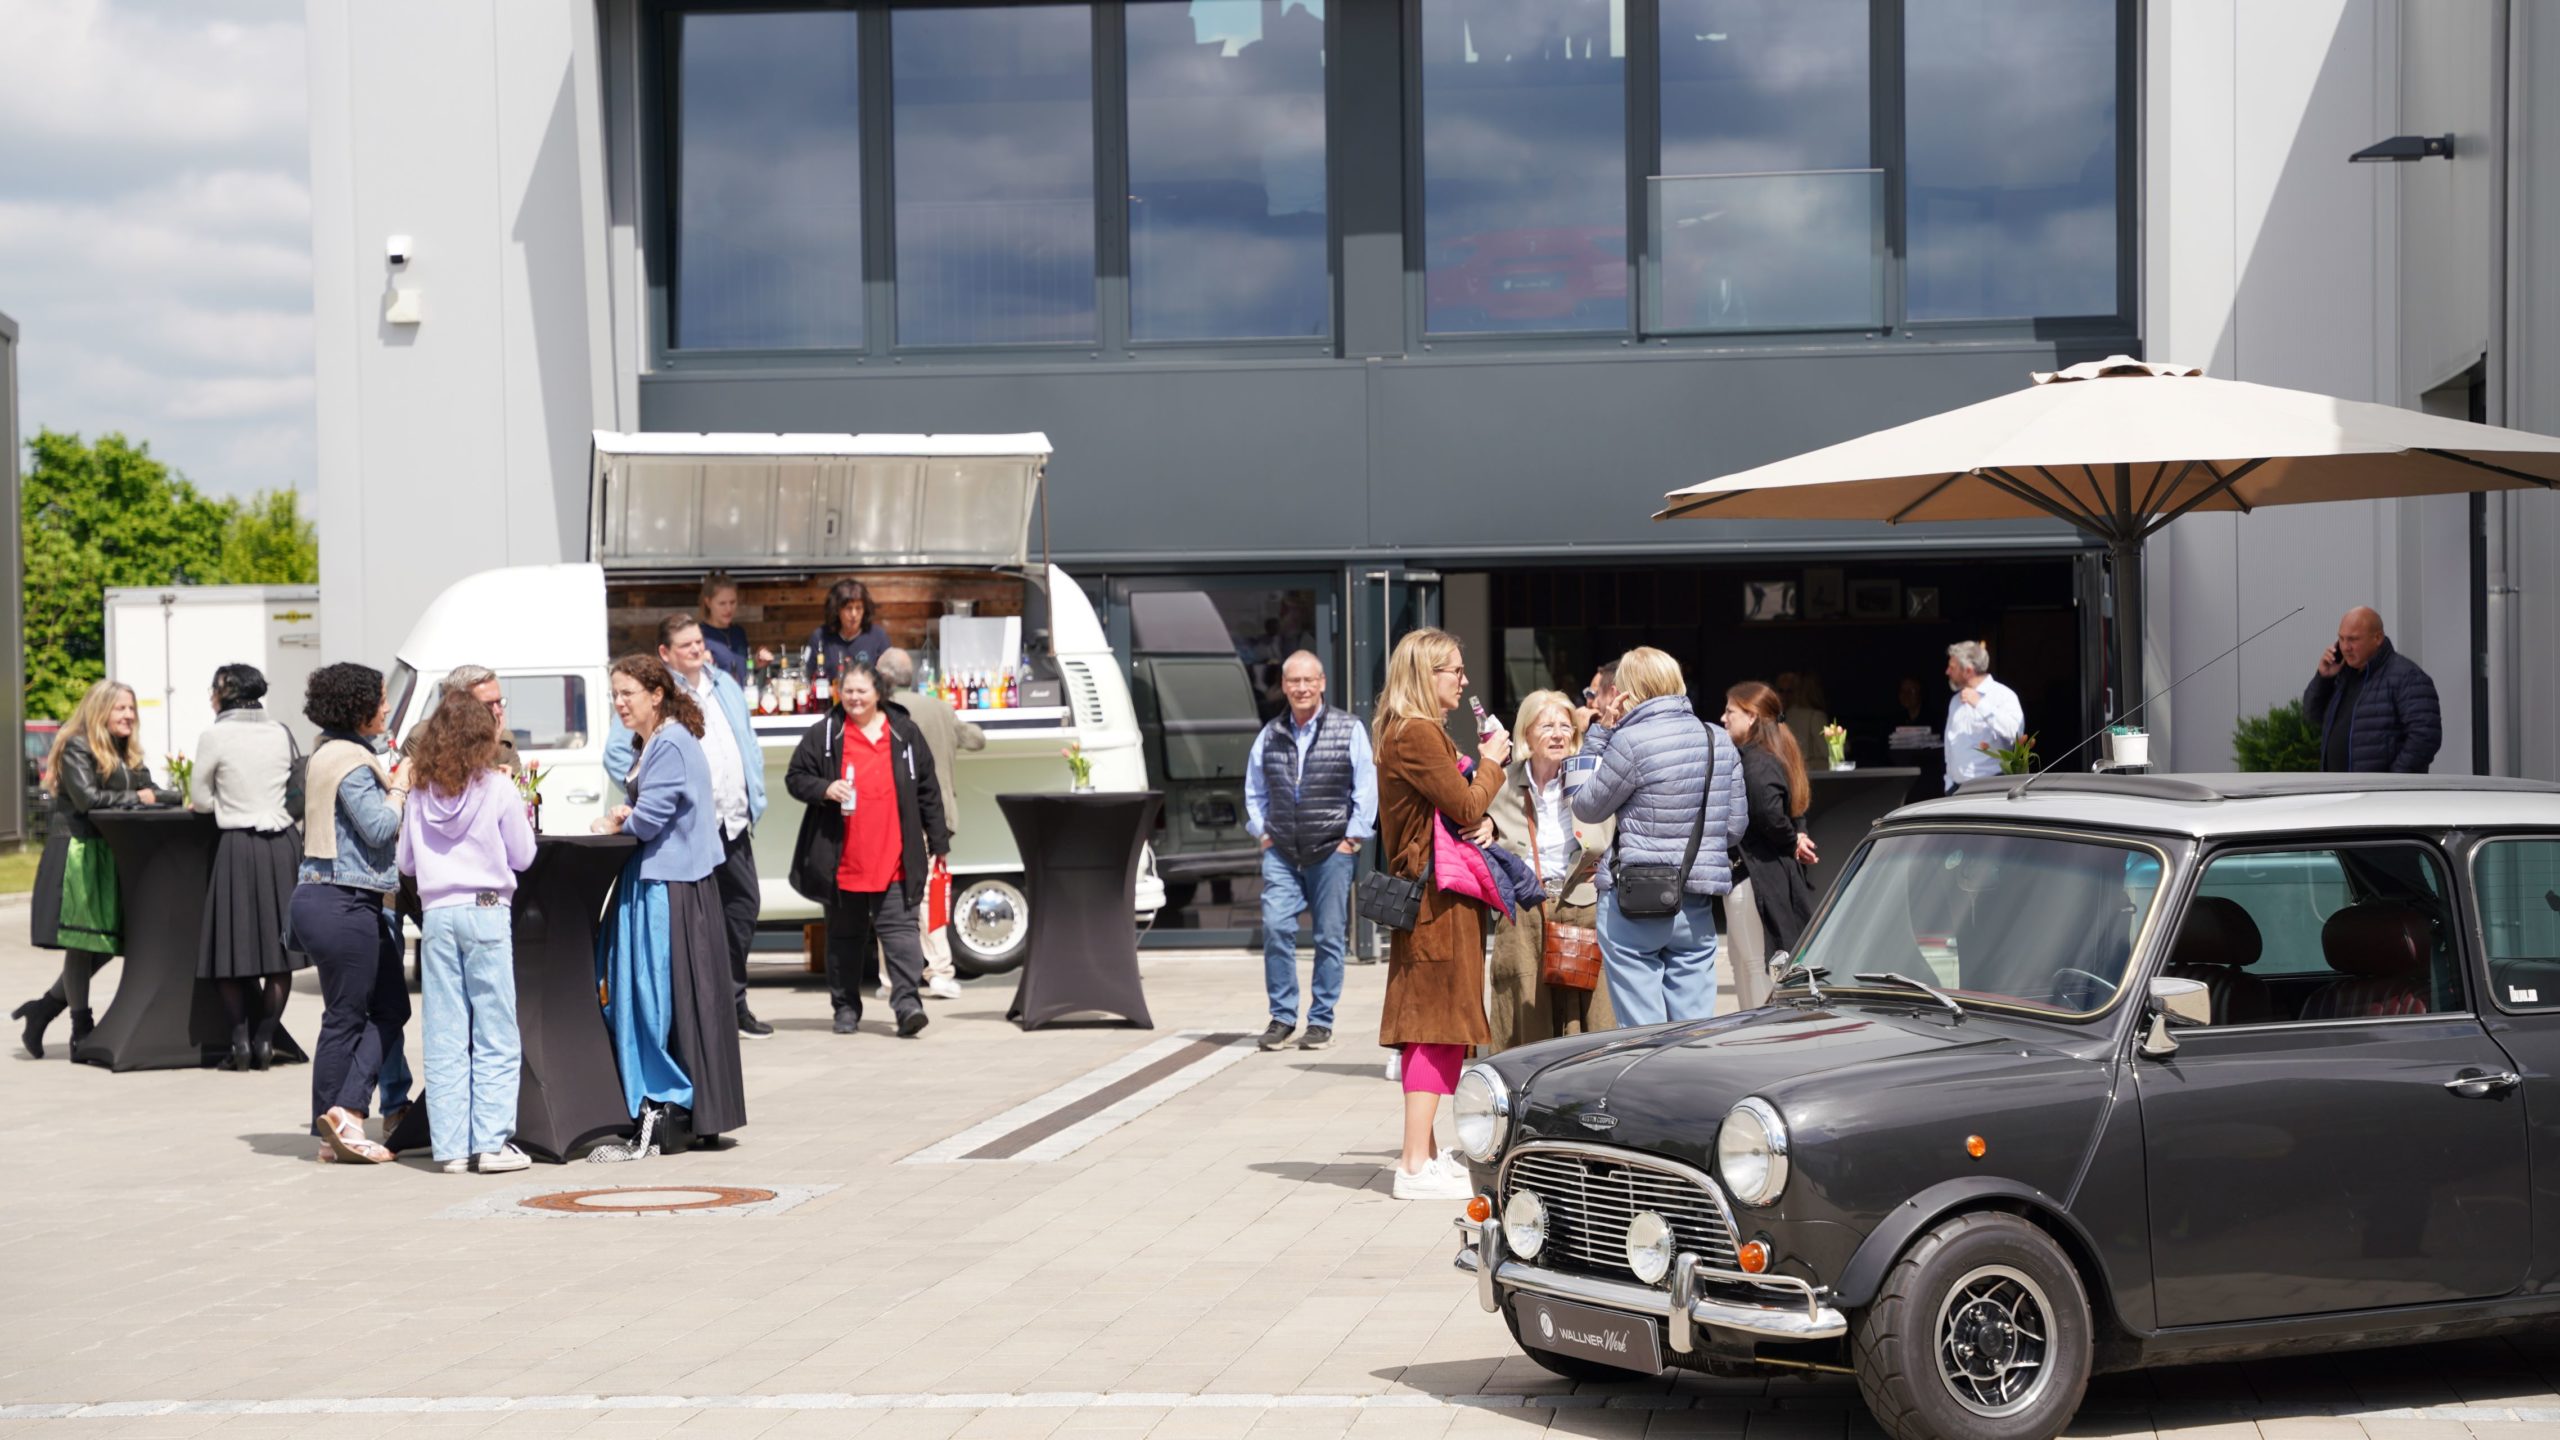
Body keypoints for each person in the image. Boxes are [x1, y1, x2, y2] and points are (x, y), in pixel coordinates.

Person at [590, 654, 748, 1159]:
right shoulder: (656, 741)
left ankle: (666, 1101)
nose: (619, 703)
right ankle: (680, 1109)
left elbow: (651, 820)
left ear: (656, 694)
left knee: (651, 995)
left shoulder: (671, 742)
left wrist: (617, 822)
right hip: (667, 879)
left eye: (627, 693)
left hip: (668, 884)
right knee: (668, 997)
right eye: (614, 694)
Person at [1372, 628, 1509, 1202]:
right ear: (1427, 674)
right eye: (1455, 669)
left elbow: (1461, 814)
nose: (1464, 679)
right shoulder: (1416, 732)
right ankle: (1412, 1165)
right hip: (1435, 900)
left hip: (1441, 896)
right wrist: (1494, 762)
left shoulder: (1413, 730)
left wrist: (1486, 820)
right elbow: (1466, 804)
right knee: (1433, 1026)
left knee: (1441, 1024)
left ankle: (1425, 1153)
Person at [606, 615, 772, 1038]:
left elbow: (746, 741)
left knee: (742, 908)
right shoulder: (651, 694)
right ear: (665, 653)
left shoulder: (725, 684)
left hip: (731, 820)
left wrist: (753, 791)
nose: (697, 649)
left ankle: (732, 1000)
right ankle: (716, 1006)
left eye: (699, 641)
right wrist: (647, 795)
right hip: (686, 828)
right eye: (686, 644)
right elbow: (619, 753)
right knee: (696, 926)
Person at [398, 691, 538, 1174]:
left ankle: (451, 1147)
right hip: (486, 909)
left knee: (444, 1032)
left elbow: (405, 863)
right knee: (495, 1029)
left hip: (437, 914)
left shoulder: (420, 792)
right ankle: (492, 1144)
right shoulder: (498, 788)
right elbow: (524, 856)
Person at [1570, 647, 1745, 1028]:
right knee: (1693, 1029)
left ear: (1627, 691)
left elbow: (1585, 807)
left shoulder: (1629, 741)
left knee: (1641, 1032)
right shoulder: (1717, 740)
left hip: (1632, 898)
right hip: (1694, 898)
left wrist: (1599, 735)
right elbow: (1733, 829)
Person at [785, 658, 948, 1039]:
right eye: (848, 691)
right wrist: (825, 788)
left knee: (902, 935)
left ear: (879, 693)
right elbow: (796, 777)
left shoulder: (904, 732)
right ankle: (845, 1008)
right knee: (844, 940)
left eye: (862, 691)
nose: (854, 698)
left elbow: (927, 788)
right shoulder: (826, 733)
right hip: (843, 860)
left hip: (895, 857)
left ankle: (908, 1005)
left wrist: (938, 839)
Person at [14, 681, 169, 1059]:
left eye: (131, 708)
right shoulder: (78, 746)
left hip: (110, 852)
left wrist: (166, 795)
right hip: (78, 850)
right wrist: (140, 797)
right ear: (101, 710)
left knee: (106, 943)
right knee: (85, 942)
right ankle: (81, 1029)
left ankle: (43, 1009)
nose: (129, 716)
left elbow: (157, 791)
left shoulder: (126, 751)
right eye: (121, 708)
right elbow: (88, 799)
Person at [292, 663, 408, 1165]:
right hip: (342, 899)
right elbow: (378, 828)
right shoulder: (352, 762)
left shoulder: (329, 751)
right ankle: (340, 1121)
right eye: (381, 699)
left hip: (335, 899)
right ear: (358, 706)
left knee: (389, 1006)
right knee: (346, 1017)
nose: (387, 707)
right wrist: (400, 788)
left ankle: (342, 1117)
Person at [1244, 650, 1376, 1053]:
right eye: (1294, 681)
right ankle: (1283, 1017)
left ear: (1322, 683)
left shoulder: (1348, 728)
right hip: (1282, 850)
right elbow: (1254, 790)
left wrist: (1352, 838)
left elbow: (1366, 785)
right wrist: (1263, 833)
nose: (1301, 688)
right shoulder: (1270, 733)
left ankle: (1320, 1021)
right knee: (1275, 928)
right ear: (1284, 686)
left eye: (1308, 680)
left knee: (1329, 937)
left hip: (1332, 849)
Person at [191, 663, 306, 1071]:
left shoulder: (215, 736)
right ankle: (265, 1039)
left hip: (237, 845)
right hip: (282, 844)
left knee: (230, 946)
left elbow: (200, 799)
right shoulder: (280, 732)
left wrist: (226, 802)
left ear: (225, 692)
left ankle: (239, 1044)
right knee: (279, 952)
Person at [1485, 689, 1614, 1050]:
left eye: (1565, 726)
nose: (1558, 734)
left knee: (1589, 1015)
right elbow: (1469, 821)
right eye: (1547, 726)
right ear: (1526, 733)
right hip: (1524, 909)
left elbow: (1615, 828)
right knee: (1525, 1010)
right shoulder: (1500, 782)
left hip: (1582, 903)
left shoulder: (1589, 776)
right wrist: (1485, 827)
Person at [878, 647, 980, 1001]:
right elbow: (976, 740)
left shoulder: (881, 712)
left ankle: (892, 978)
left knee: (889, 894)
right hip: (938, 816)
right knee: (931, 894)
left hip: (895, 817)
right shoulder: (940, 709)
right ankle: (938, 971)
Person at [1720, 682, 1820, 1012]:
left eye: (1730, 711)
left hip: (1753, 877)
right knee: (1753, 963)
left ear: (1751, 717)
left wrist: (1792, 839)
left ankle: (1756, 1030)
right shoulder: (1774, 754)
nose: (1723, 718)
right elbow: (1794, 810)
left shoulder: (1757, 763)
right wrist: (1797, 838)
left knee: (1753, 965)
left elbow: (1769, 813)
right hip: (1762, 875)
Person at [2306, 606, 2443, 773]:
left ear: (2377, 638)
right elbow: (2312, 716)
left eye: (2353, 639)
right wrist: (2323, 678)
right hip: (2337, 785)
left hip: (2380, 788)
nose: (2345, 647)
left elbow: (2425, 736)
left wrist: (2392, 780)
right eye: (2341, 639)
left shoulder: (2407, 676)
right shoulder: (2342, 675)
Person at [1942, 640, 2026, 790]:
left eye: (1952, 667)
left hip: (1992, 787)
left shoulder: (2003, 695)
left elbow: (2016, 734)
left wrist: (1980, 704)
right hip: (1957, 789)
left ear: (1968, 671)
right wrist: (1949, 783)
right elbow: (1950, 745)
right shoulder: (1955, 701)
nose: (1947, 672)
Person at [437, 666, 521, 776]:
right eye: (488, 705)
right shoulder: (427, 740)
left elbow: (519, 782)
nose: (497, 711)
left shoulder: (505, 739)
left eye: (499, 702)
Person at [805, 576, 890, 681]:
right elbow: (807, 676)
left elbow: (888, 680)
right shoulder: (820, 637)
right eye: (848, 608)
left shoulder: (878, 636)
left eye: (858, 608)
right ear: (837, 610)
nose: (854, 614)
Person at [698, 573, 752, 685]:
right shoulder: (699, 635)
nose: (728, 609)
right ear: (708, 602)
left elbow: (743, 669)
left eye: (732, 602)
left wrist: (757, 662)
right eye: (722, 603)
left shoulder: (738, 632)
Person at [1776, 670, 1832, 773]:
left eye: (1789, 691)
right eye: (1781, 691)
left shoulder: (1783, 717)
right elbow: (1828, 751)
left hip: (1792, 773)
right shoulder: (1815, 716)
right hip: (1816, 774)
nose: (1784, 696)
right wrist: (1843, 745)